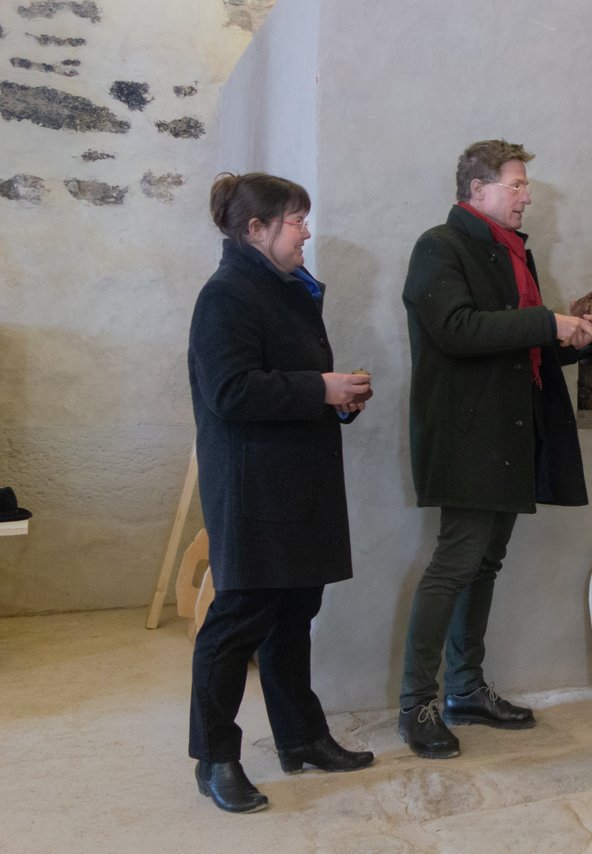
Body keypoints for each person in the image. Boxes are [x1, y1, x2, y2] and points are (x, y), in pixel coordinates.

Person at [399, 139, 592, 760]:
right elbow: (455, 329)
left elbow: (521, 347)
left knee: (484, 564)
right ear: (477, 190)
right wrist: (547, 322)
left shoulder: (512, 254)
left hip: (510, 431)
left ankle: (464, 689)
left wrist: (574, 331)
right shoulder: (440, 246)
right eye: (515, 185)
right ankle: (417, 704)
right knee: (454, 563)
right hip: (466, 434)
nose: (526, 196)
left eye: (524, 186)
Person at [188, 172, 375, 814]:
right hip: (254, 487)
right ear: (256, 230)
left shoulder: (283, 289)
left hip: (296, 479)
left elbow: (288, 380)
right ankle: (216, 759)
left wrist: (338, 398)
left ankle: (301, 738)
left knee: (293, 615)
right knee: (235, 625)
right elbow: (231, 393)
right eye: (296, 220)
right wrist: (319, 389)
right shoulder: (226, 296)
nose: (306, 231)